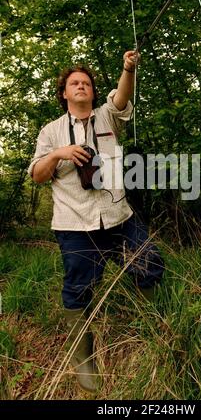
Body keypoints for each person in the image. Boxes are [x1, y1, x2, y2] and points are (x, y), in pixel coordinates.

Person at [28, 51, 164, 393]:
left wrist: (127, 69)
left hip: (119, 216)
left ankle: (152, 326)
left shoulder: (107, 118)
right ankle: (83, 360)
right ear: (64, 93)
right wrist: (59, 154)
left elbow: (121, 98)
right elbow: (37, 176)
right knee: (78, 290)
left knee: (149, 265)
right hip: (75, 225)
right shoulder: (51, 131)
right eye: (74, 83)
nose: (81, 87)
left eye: (86, 83)